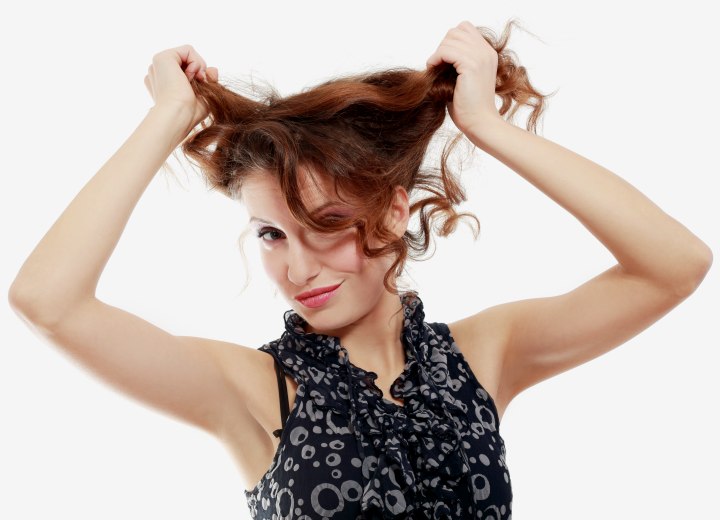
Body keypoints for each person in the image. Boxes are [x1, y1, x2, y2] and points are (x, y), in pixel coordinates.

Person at [8, 19, 712, 520]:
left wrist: (488, 128)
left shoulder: (482, 357)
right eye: (271, 234)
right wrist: (171, 115)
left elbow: (674, 266)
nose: (297, 265)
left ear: (393, 211)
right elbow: (47, 300)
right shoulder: (255, 390)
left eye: (328, 224)